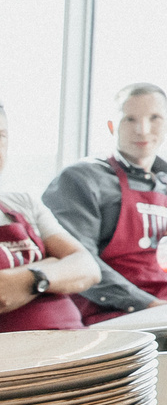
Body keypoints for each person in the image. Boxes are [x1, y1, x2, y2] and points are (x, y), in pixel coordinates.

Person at [44, 83, 167, 324]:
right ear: (112, 127)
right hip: (107, 314)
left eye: (154, 118)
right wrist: (147, 305)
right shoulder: (81, 179)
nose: (142, 130)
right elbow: (77, 262)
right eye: (130, 119)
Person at [0, 101, 103, 332]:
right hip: (18, 364)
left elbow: (87, 267)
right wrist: (56, 266)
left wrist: (34, 279)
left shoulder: (23, 203)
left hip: (77, 349)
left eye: (1, 136)